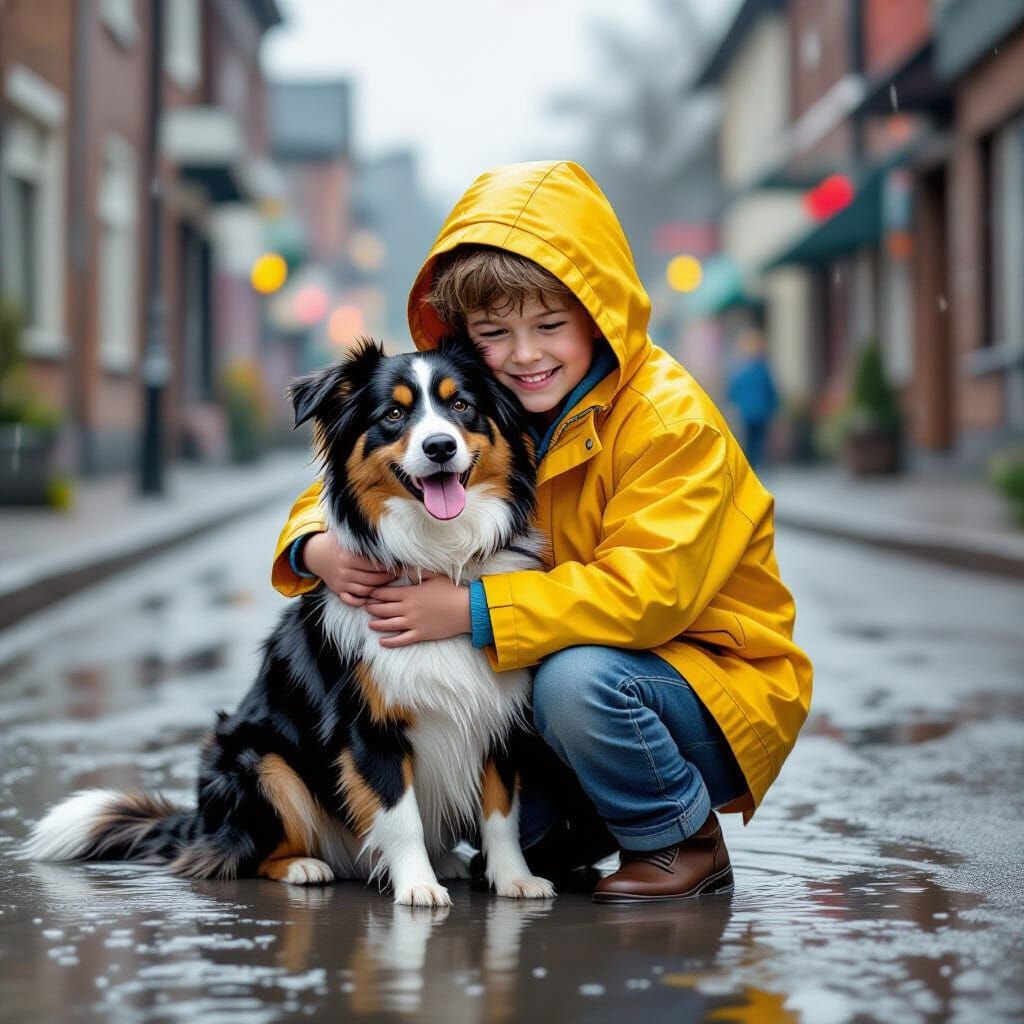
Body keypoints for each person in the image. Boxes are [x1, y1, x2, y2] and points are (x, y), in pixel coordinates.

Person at [271, 161, 813, 903]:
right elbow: (356, 470)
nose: (526, 354)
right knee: (507, 818)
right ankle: (580, 828)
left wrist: (473, 611)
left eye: (550, 325)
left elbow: (650, 596)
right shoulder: (487, 404)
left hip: (704, 679)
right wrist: (315, 546)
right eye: (495, 332)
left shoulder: (669, 423)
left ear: (600, 312)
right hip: (583, 671)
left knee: (571, 682)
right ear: (466, 337)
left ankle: (680, 841)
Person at [726, 328, 779, 471]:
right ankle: (757, 463)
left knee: (750, 439)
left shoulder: (741, 370)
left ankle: (751, 464)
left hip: (747, 413)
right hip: (761, 412)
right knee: (759, 440)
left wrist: (734, 404)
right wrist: (774, 407)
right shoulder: (762, 369)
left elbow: (733, 391)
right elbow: (771, 390)